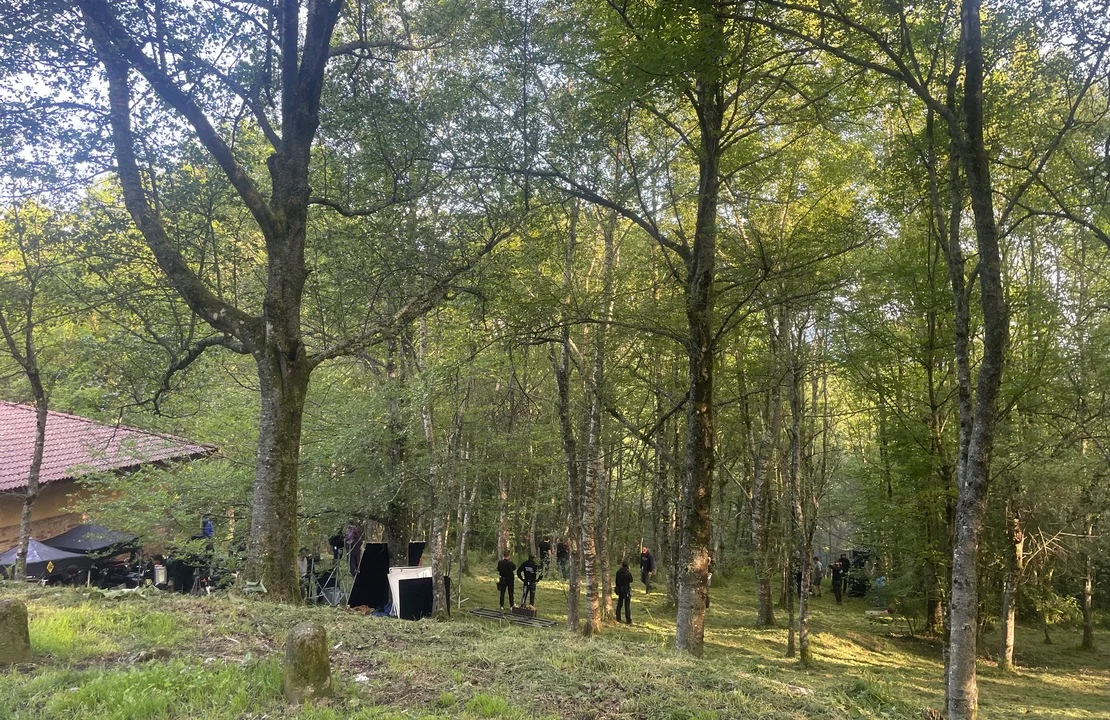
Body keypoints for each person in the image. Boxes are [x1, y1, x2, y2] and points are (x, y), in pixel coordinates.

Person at [615, 560, 633, 624]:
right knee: (627, 605)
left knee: (619, 604)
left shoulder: (618, 572)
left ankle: (618, 617)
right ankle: (628, 619)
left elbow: (616, 581)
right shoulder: (627, 573)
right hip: (626, 590)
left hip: (620, 589)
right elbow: (631, 580)